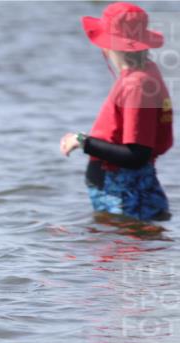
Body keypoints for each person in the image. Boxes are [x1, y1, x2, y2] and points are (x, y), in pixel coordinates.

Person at [60, 3, 172, 221]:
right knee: (146, 237)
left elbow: (137, 154)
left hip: (123, 191)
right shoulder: (146, 72)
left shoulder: (136, 85)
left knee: (125, 241)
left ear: (109, 46)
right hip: (135, 186)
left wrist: (82, 141)